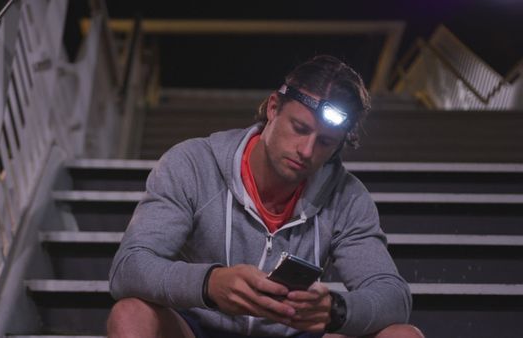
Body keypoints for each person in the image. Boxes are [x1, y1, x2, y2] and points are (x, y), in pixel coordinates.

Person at [107, 55, 423, 338]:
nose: (307, 151)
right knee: (131, 313)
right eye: (299, 128)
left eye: (326, 142)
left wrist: (336, 311)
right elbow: (130, 267)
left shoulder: (347, 197)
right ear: (273, 108)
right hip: (199, 327)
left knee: (403, 335)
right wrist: (209, 284)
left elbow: (392, 296)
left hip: (292, 332)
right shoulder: (193, 164)